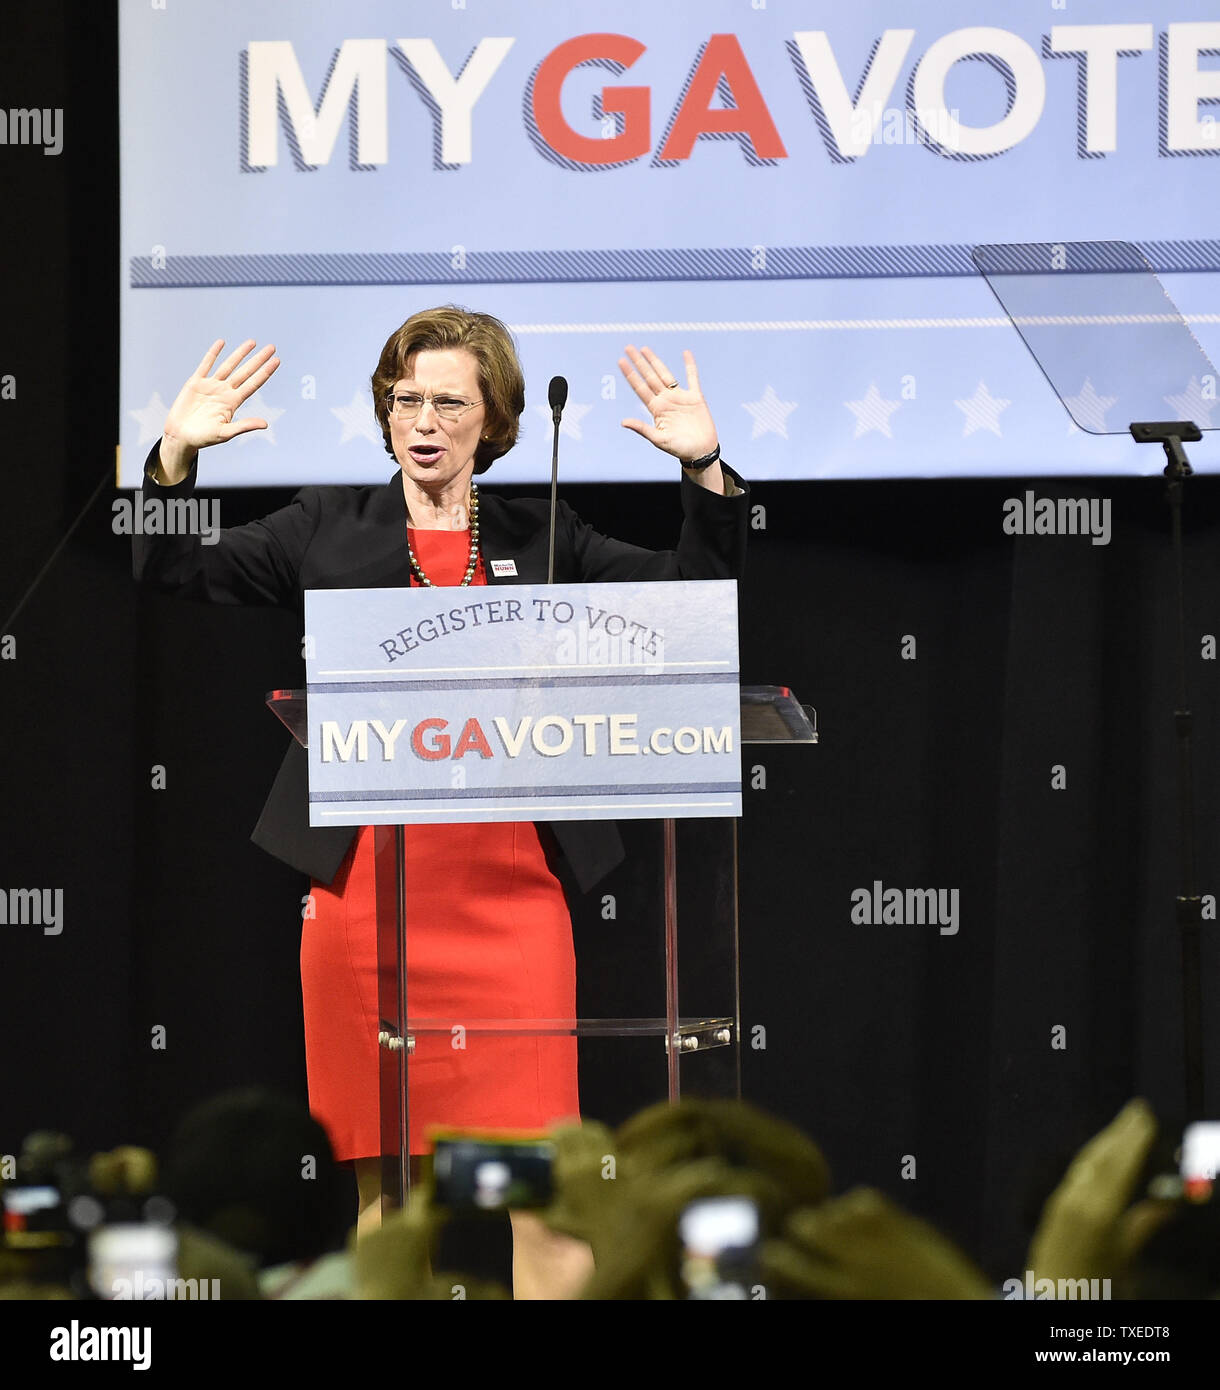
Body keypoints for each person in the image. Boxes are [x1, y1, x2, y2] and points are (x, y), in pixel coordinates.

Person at [132, 305, 749, 1287]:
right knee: (390, 1203)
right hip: (365, 904)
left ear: (492, 418)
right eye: (404, 397)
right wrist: (172, 456)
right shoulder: (327, 523)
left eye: (447, 401)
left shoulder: (542, 534)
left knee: (537, 1196)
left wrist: (704, 468)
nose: (421, 419)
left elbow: (693, 595)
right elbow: (170, 568)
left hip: (510, 908)